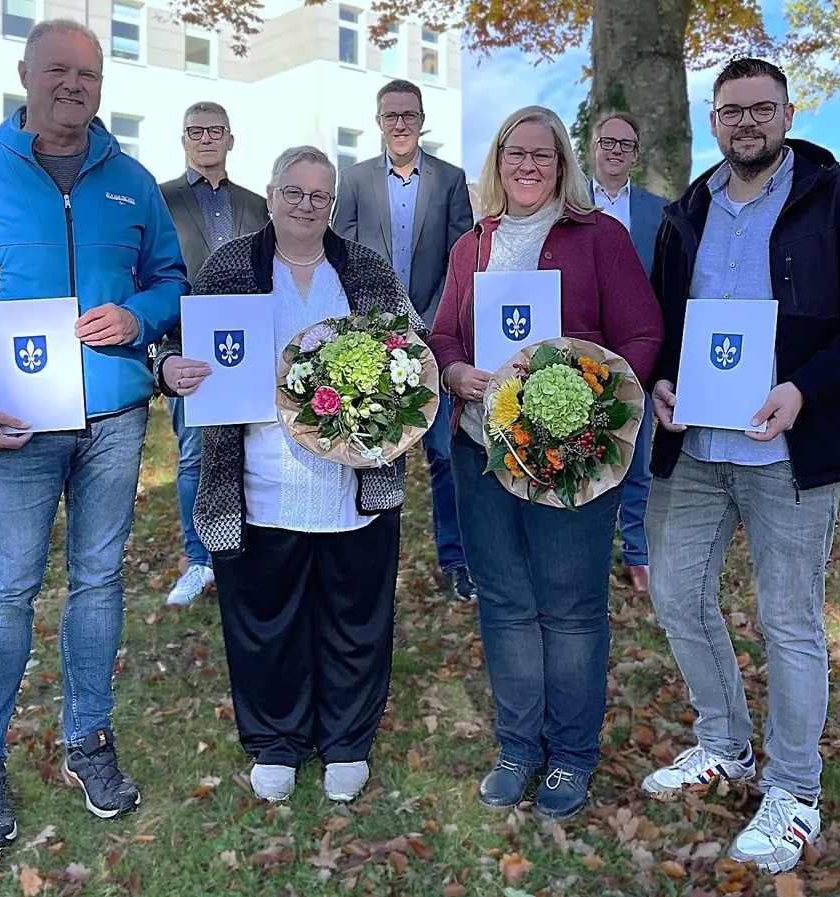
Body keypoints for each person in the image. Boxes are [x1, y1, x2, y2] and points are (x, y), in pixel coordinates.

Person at [0, 19, 188, 854]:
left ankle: (89, 741)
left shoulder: (133, 183)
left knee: (98, 585)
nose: (74, 84)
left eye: (90, 74)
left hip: (113, 418)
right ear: (25, 73)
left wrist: (137, 314)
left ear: (103, 85)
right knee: (7, 592)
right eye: (59, 70)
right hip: (18, 423)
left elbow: (171, 279)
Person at [640, 58, 840, 874]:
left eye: (763, 108)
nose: (748, 123)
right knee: (676, 595)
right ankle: (724, 744)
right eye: (732, 111)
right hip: (695, 446)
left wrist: (804, 388)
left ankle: (794, 788)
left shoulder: (837, 201)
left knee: (789, 620)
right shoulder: (687, 211)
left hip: (788, 448)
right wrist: (659, 377)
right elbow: (662, 318)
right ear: (713, 121)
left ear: (789, 112)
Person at [154, 146, 421, 804]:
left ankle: (347, 739)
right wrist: (173, 370)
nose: (307, 205)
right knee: (265, 619)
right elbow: (182, 341)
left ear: (333, 204)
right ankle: (276, 740)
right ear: (270, 196)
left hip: (351, 482)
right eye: (294, 192)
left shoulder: (364, 269)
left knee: (353, 615)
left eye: (320, 195)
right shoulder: (229, 266)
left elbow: (409, 346)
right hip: (256, 479)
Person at [428, 106, 663, 820]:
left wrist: (598, 399)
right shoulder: (472, 244)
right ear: (497, 163)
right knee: (504, 604)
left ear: (563, 163)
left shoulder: (600, 238)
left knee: (571, 610)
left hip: (571, 460)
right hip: (482, 449)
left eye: (542, 155)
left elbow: (643, 333)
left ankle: (571, 754)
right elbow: (442, 331)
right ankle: (518, 746)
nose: (527, 167)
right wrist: (456, 369)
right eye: (514, 154)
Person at [334, 79, 477, 602]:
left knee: (443, 454)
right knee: (374, 451)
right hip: (371, 339)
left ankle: (456, 561)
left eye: (410, 114)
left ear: (421, 120)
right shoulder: (351, 180)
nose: (400, 123)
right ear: (378, 120)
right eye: (391, 114)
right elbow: (339, 257)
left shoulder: (450, 180)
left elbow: (463, 258)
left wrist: (431, 320)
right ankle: (369, 564)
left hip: (436, 335)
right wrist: (374, 321)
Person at [156, 101, 269, 607]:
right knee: (196, 454)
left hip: (249, 344)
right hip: (187, 343)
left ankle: (247, 549)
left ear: (230, 138)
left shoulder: (254, 203)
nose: (206, 138)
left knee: (253, 447)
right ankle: (199, 560)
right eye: (195, 131)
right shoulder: (161, 200)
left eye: (215, 130)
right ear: (183, 139)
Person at [588, 111, 671, 596]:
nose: (616, 151)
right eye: (607, 142)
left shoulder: (659, 212)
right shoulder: (569, 202)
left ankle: (637, 551)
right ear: (593, 148)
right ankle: (592, 545)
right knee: (585, 446)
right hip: (584, 340)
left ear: (636, 155)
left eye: (626, 145)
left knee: (637, 453)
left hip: (636, 342)